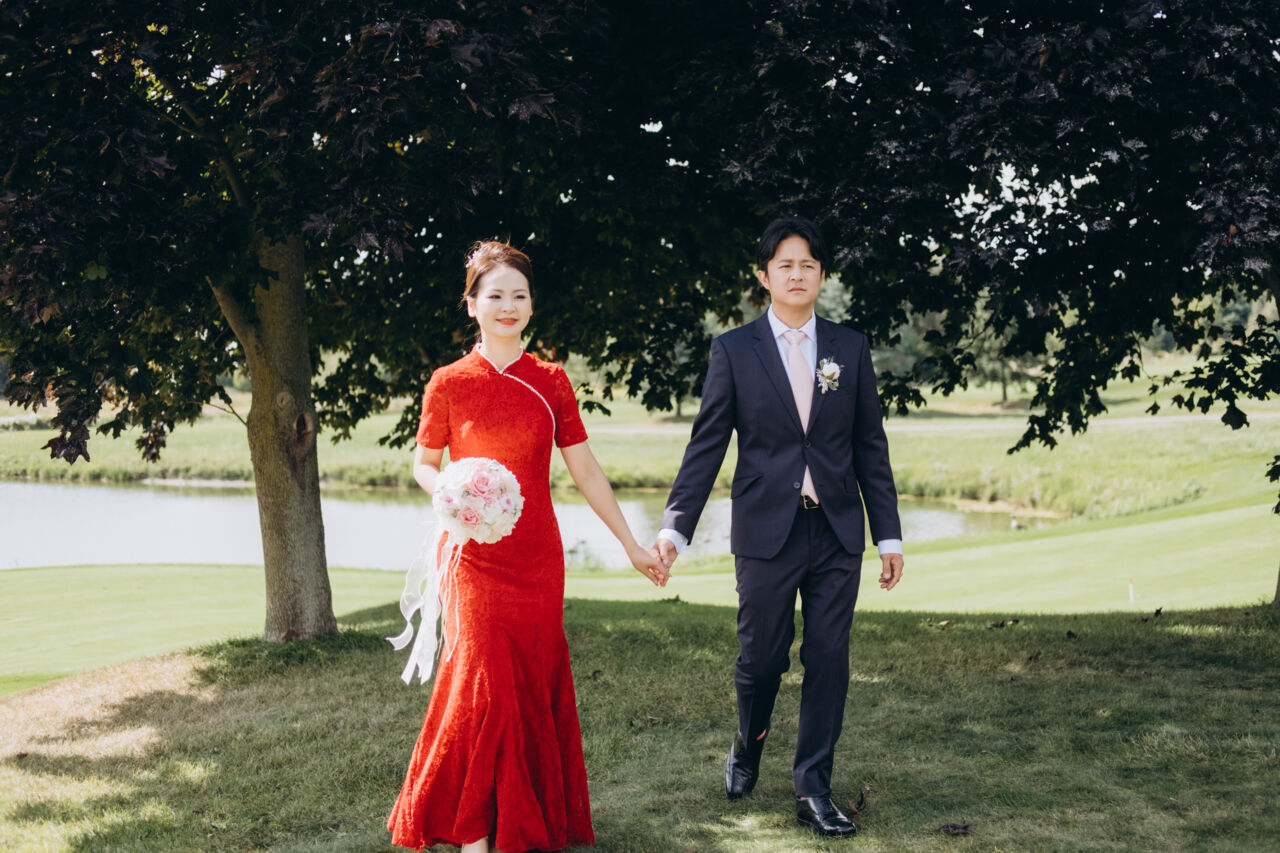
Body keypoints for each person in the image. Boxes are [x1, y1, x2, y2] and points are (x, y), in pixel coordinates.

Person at [388, 240, 669, 853]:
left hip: (537, 558)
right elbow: (424, 464)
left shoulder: (552, 381)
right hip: (472, 557)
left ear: (532, 305)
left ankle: (524, 816)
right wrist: (453, 491)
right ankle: (475, 832)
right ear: (472, 304)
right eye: (495, 295)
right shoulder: (447, 383)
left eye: (519, 295)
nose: (508, 306)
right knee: (483, 679)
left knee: (528, 683)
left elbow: (585, 470)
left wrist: (631, 545)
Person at [655, 217, 904, 839]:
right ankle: (748, 743)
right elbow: (707, 445)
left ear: (821, 275)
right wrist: (676, 529)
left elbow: (870, 446)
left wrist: (889, 536)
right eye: (785, 265)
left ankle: (813, 788)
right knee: (762, 660)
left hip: (838, 531)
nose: (797, 275)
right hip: (766, 531)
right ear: (764, 276)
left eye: (808, 265)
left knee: (829, 658)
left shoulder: (850, 347)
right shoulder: (734, 350)